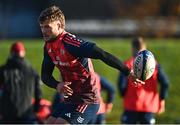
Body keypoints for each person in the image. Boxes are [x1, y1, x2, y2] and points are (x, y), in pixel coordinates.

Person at [38, 5, 143, 124]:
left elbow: (102, 54)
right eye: (41, 27)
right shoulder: (48, 47)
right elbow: (45, 75)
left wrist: (127, 72)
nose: (43, 31)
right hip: (70, 100)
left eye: (47, 27)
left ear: (59, 25)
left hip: (87, 100)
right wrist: (57, 85)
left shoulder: (72, 44)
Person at [117, 37, 169, 124]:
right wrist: (162, 100)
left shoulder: (127, 64)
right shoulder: (155, 64)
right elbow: (165, 83)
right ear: (145, 47)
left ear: (133, 48)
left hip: (131, 105)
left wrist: (123, 94)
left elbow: (121, 84)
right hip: (149, 105)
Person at [0, 42, 42, 123]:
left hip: (7, 116)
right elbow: (38, 94)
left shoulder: (3, 70)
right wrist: (36, 110)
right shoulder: (32, 71)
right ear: (23, 53)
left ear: (11, 53)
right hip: (27, 114)